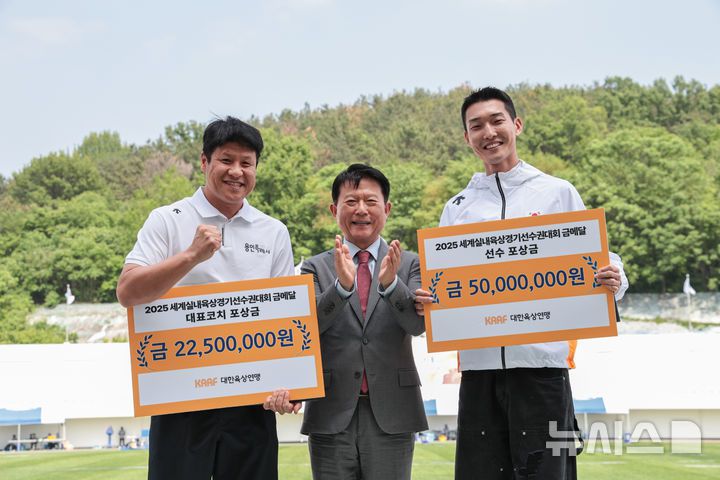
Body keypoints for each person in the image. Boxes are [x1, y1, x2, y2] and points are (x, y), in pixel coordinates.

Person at [426, 87, 629, 480]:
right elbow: (444, 284)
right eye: (477, 126)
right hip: (479, 374)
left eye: (496, 121)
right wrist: (430, 299)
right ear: (467, 138)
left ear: (516, 124)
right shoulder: (456, 208)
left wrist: (614, 278)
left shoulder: (557, 192)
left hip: (544, 372)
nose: (489, 132)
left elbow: (601, 259)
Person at [116, 117, 294, 480]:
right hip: (180, 394)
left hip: (251, 398)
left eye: (246, 163)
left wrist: (292, 384)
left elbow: (286, 318)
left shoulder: (274, 231)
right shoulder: (167, 219)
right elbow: (128, 291)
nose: (237, 171)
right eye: (226, 160)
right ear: (204, 161)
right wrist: (191, 256)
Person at [264, 164, 433, 480]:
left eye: (371, 201)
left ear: (387, 208)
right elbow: (308, 327)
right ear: (334, 210)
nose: (361, 210)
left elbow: (417, 325)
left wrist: (390, 284)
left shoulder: (411, 262)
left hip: (394, 411)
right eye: (351, 202)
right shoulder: (314, 267)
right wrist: (341, 287)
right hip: (331, 412)